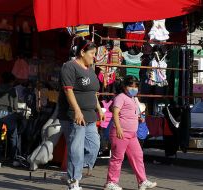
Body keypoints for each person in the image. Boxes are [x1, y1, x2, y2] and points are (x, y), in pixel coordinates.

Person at [58, 39, 105, 190]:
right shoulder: (69, 67)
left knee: (94, 146)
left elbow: (93, 92)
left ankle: (73, 170)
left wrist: (99, 108)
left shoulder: (90, 69)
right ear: (82, 52)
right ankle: (73, 181)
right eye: (92, 53)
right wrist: (77, 111)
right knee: (76, 150)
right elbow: (68, 90)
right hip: (74, 115)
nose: (94, 56)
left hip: (90, 116)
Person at [104, 75, 157, 190]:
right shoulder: (120, 97)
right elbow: (115, 113)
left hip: (132, 135)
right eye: (130, 86)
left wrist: (138, 118)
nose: (133, 88)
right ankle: (111, 182)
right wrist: (118, 128)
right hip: (121, 133)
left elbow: (130, 112)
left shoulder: (132, 99)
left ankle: (142, 181)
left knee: (138, 156)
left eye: (136, 86)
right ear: (124, 86)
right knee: (117, 158)